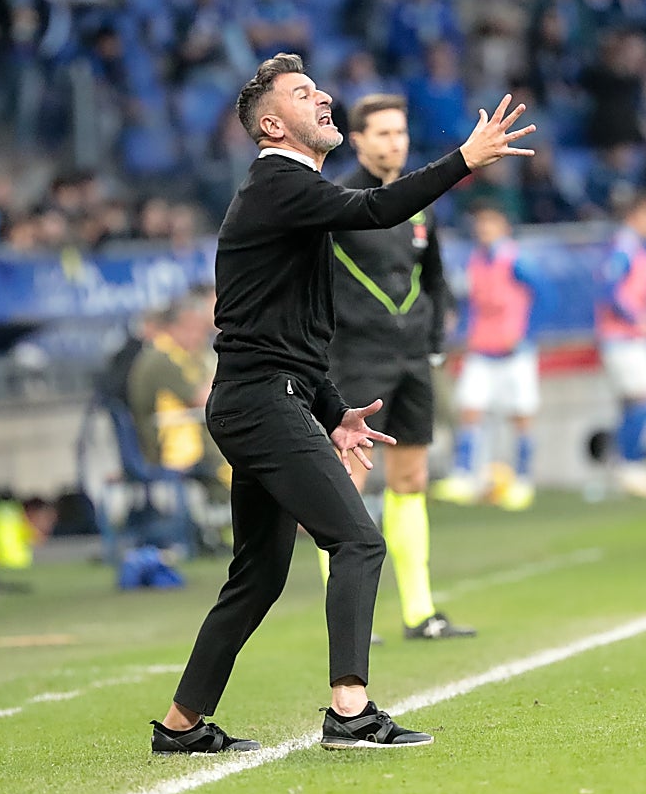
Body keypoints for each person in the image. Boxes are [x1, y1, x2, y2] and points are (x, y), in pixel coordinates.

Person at [150, 53, 534, 754]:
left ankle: (181, 726)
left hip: (265, 396)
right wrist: (465, 160)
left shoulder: (289, 196)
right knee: (357, 541)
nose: (323, 98)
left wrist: (330, 409)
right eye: (304, 94)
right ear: (272, 123)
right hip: (260, 402)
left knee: (259, 577)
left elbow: (288, 332)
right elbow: (377, 207)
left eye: (318, 87)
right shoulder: (278, 182)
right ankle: (350, 712)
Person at [322, 93, 475, 641]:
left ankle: (419, 611)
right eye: (383, 133)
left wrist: (433, 338)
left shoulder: (419, 203)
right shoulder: (335, 199)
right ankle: (346, 616)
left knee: (411, 479)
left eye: (402, 133)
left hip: (412, 359)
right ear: (356, 139)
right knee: (347, 484)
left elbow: (433, 276)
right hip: (354, 358)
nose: (396, 142)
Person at [432, 202, 542, 511]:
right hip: (481, 348)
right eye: (480, 224)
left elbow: (545, 296)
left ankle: (522, 480)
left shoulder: (517, 261)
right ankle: (465, 475)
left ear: (504, 226)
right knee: (470, 411)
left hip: (514, 352)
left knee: (520, 416)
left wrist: (526, 333)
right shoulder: (475, 261)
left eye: (490, 223)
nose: (484, 230)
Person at [594, 192, 646, 498]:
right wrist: (637, 317)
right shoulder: (625, 246)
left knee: (634, 402)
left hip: (628, 338)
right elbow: (611, 288)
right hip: (623, 338)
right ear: (637, 216)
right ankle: (630, 464)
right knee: (644, 398)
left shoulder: (634, 247)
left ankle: (625, 464)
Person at [126, 292, 230, 502]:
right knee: (229, 452)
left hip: (184, 436)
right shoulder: (161, 358)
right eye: (194, 329)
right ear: (176, 327)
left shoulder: (181, 354)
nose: (199, 337)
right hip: (166, 446)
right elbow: (206, 398)